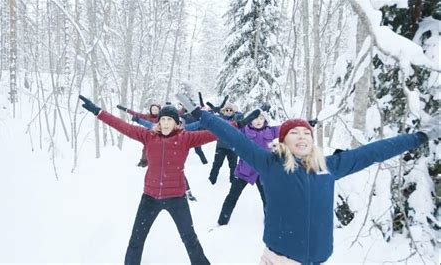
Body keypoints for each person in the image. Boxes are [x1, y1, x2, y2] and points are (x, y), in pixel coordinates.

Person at [176, 93, 440, 265]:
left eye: (306, 133)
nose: (302, 137)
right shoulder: (270, 163)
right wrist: (202, 116)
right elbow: (233, 137)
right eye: (295, 133)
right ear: (284, 140)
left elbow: (373, 152)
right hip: (279, 260)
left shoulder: (329, 166)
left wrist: (419, 137)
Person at [79, 95, 216, 265]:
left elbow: (215, 133)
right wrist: (98, 112)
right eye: (163, 119)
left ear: (176, 122)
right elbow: (123, 126)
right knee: (136, 240)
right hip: (150, 198)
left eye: (169, 120)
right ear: (158, 122)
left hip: (176, 198)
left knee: (190, 240)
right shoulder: (148, 136)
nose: (165, 123)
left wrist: (238, 125)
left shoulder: (185, 138)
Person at [217, 110, 279, 226]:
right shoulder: (244, 130)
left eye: (261, 118)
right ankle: (222, 222)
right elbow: (227, 128)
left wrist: (306, 124)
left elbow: (289, 127)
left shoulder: (271, 131)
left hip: (263, 172)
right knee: (232, 196)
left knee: (268, 199)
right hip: (244, 171)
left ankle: (271, 223)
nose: (258, 121)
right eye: (255, 118)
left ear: (265, 120)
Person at [208, 101, 243, 184]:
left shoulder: (236, 119)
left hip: (233, 147)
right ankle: (211, 180)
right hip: (221, 146)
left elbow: (241, 116)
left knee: (233, 166)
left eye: (230, 110)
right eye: (227, 110)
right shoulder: (220, 119)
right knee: (217, 164)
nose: (229, 112)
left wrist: (236, 111)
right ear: (224, 111)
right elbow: (211, 118)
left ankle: (233, 181)